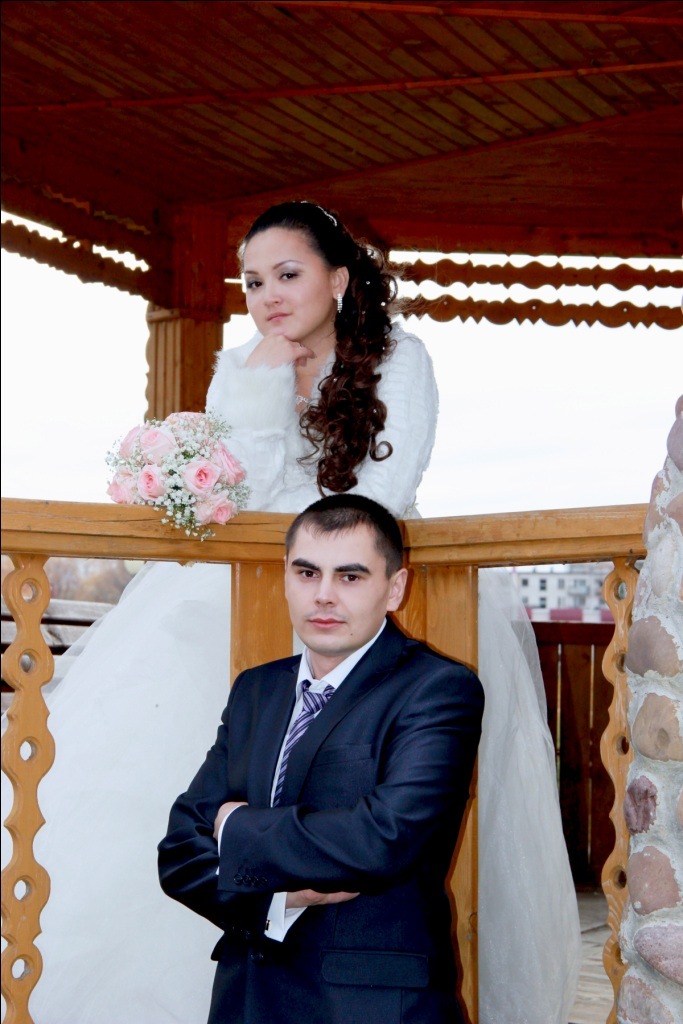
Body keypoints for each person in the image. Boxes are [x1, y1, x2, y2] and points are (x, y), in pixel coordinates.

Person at [1, 200, 580, 1023]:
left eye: (287, 274)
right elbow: (246, 493)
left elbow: (380, 495)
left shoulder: (398, 358)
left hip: (356, 575)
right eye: (251, 282)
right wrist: (263, 384)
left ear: (337, 279)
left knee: (363, 787)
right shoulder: (242, 368)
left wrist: (308, 552)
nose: (267, 295)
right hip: (247, 586)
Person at [159, 494, 485, 1024]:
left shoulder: (438, 688)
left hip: (370, 1007)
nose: (324, 595)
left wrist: (236, 828)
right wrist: (279, 900)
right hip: (247, 1000)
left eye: (350, 576)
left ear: (395, 588)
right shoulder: (256, 689)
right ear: (286, 577)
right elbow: (179, 851)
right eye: (307, 573)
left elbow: (383, 838)